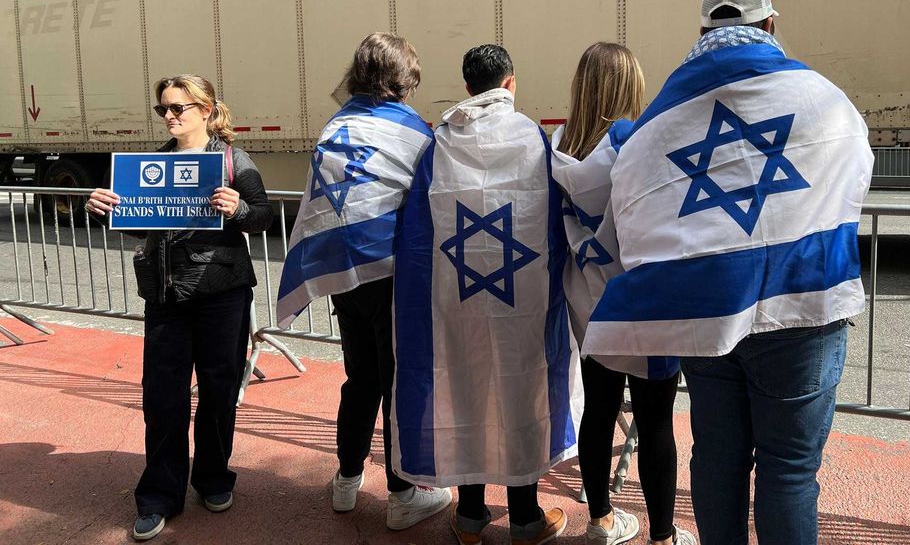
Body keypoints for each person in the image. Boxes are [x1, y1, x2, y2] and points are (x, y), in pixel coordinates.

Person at [583, 0, 874, 545]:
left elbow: (632, 196)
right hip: (804, 304)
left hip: (708, 312)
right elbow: (851, 176)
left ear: (702, 31)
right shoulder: (821, 98)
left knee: (717, 460)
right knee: (789, 471)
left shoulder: (663, 119)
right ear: (771, 25)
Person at [391, 44, 583, 545]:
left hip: (454, 295)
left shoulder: (440, 145)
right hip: (523, 296)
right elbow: (557, 221)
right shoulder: (533, 140)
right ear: (510, 83)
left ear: (469, 86)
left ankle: (472, 516)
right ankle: (524, 517)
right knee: (521, 393)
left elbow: (417, 233)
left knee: (466, 392)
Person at [85, 74, 274, 541]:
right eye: (163, 109)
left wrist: (239, 210)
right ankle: (158, 496)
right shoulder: (152, 164)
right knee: (162, 397)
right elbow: (147, 228)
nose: (170, 116)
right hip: (166, 296)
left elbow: (264, 216)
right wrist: (109, 210)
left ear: (206, 110)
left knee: (217, 391)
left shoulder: (231, 158)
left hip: (221, 293)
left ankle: (212, 478)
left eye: (180, 108)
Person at [275, 33, 451, 529]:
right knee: (397, 381)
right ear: (404, 79)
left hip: (341, 271)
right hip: (392, 272)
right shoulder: (414, 132)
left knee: (360, 381)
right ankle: (401, 496)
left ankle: (346, 482)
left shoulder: (336, 126)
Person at [552, 43, 695, 545]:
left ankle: (601, 520)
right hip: (642, 303)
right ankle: (662, 535)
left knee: (598, 408)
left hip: (589, 303)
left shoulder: (559, 148)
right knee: (656, 421)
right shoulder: (636, 143)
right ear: (630, 87)